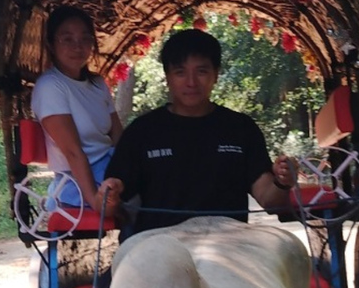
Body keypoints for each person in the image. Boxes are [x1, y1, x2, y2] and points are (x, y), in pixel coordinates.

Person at [97, 28, 297, 235]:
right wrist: (108, 195)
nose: (191, 82)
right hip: (159, 244)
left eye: (201, 71)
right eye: (180, 72)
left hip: (229, 244)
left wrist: (282, 182)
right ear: (167, 77)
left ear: (216, 74)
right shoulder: (142, 131)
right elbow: (109, 205)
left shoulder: (241, 128)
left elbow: (269, 200)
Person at [31, 5, 123, 211]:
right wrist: (95, 200)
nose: (77, 46)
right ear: (51, 45)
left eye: (85, 39)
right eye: (67, 39)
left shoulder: (98, 84)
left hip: (111, 168)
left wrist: (129, 169)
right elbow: (73, 152)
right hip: (78, 182)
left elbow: (118, 136)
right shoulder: (50, 86)